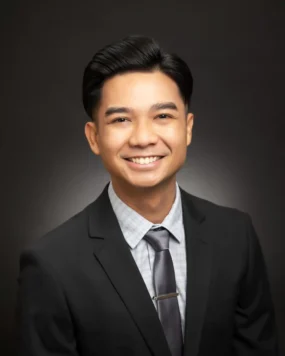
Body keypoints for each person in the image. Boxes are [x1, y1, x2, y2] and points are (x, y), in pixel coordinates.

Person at [16, 35, 281, 356]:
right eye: (121, 120)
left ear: (188, 128)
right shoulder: (50, 264)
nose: (143, 138)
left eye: (163, 116)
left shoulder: (236, 235)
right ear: (94, 137)